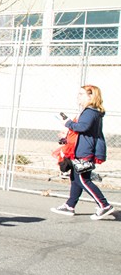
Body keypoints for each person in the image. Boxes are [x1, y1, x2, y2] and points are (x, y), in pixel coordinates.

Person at [50, 84, 113, 220]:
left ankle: (104, 205)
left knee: (83, 180)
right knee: (75, 178)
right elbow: (81, 131)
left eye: (81, 94)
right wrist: (66, 136)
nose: (78, 96)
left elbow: (83, 127)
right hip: (81, 148)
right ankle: (70, 205)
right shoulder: (89, 111)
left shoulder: (91, 111)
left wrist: (67, 123)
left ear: (91, 96)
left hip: (85, 150)